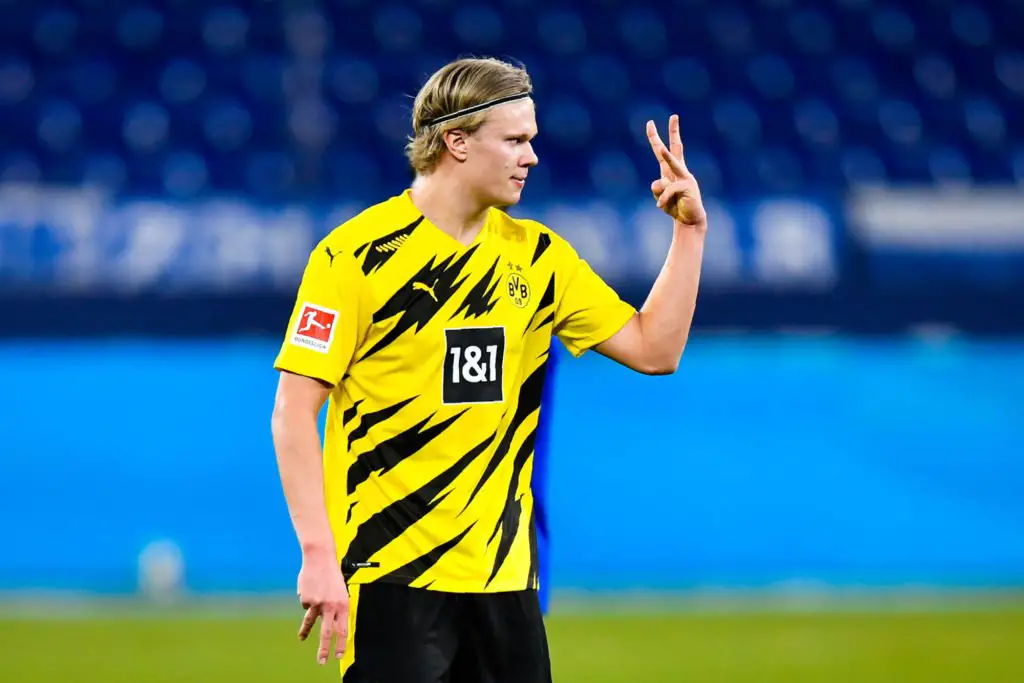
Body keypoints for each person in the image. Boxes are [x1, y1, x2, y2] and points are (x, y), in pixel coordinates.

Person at [270, 56, 707, 683]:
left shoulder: (539, 258)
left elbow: (654, 349)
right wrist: (318, 553)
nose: (532, 156)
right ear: (457, 141)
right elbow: (293, 411)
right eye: (515, 140)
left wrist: (690, 233)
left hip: (505, 583)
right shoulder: (354, 258)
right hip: (392, 577)